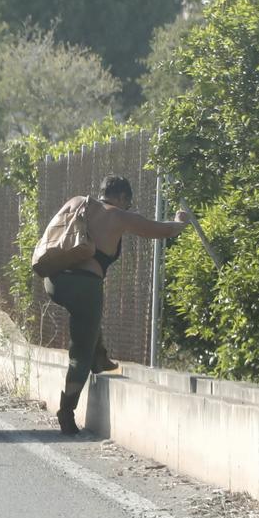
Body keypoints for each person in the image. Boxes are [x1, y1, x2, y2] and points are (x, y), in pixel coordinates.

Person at [44, 175, 190, 435]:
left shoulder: (77, 202)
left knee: (87, 324)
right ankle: (66, 411)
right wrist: (180, 222)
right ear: (122, 197)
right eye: (128, 201)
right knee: (80, 353)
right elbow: (163, 230)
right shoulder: (119, 216)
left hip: (54, 279)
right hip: (84, 286)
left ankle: (100, 356)